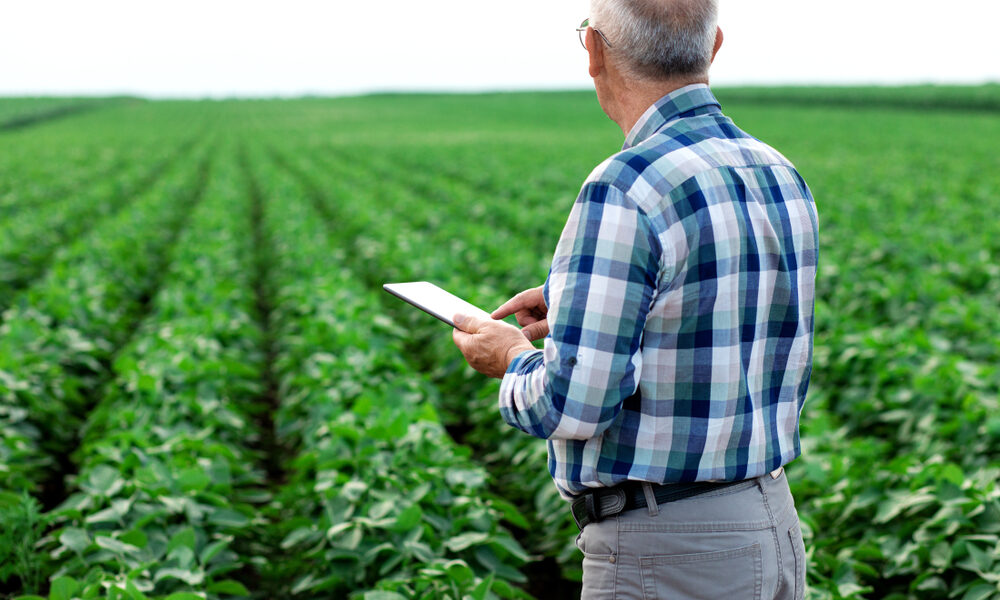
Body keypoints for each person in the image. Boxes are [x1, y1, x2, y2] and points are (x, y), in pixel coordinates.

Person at [452, 1, 817, 598]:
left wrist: (510, 358)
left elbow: (573, 406)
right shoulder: (777, 172)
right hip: (770, 521)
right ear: (715, 45)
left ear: (592, 50)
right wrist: (574, 300)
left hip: (668, 547)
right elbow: (722, 300)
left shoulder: (625, 185)